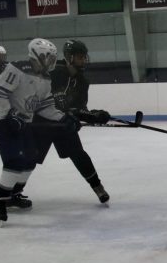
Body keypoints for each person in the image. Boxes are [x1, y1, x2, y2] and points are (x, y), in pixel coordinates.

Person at [0, 38, 80, 223]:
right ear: (37, 55)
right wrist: (10, 114)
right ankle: (0, 202)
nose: (52, 61)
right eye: (49, 57)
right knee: (15, 160)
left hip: (24, 123)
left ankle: (14, 195)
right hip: (4, 122)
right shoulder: (16, 69)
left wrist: (63, 118)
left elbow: (45, 106)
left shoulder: (45, 78)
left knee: (31, 159)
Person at [32, 39, 110, 204]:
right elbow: (42, 99)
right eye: (80, 57)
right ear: (69, 57)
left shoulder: (82, 81)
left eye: (84, 57)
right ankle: (13, 192)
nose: (84, 60)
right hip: (42, 123)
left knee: (78, 154)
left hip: (63, 124)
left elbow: (79, 108)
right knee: (29, 159)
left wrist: (94, 115)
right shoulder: (53, 72)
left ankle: (98, 187)